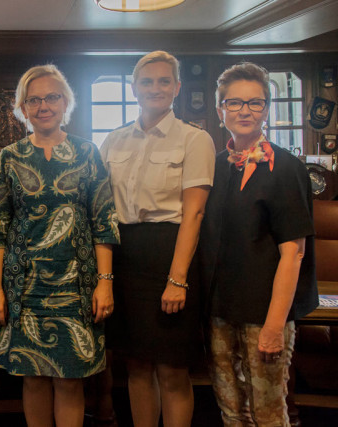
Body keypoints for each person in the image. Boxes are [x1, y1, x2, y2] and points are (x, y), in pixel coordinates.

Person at [0, 64, 120, 427]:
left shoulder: (88, 153)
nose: (43, 106)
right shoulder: (9, 157)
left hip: (78, 286)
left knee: (70, 379)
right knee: (33, 377)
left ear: (66, 103)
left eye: (52, 97)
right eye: (34, 100)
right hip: (24, 286)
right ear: (22, 108)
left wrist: (105, 283)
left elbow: (103, 223)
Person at [100, 51, 215, 427]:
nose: (156, 88)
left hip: (171, 256)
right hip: (123, 257)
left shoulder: (195, 139)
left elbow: (194, 214)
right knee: (134, 365)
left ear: (177, 88)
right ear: (134, 89)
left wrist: (177, 278)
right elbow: (100, 209)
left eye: (164, 81)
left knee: (171, 370)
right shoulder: (113, 141)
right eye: (147, 82)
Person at [200, 62, 318, 426]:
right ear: (221, 111)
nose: (244, 111)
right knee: (230, 408)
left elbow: (293, 253)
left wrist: (273, 325)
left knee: (267, 410)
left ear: (266, 109)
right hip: (220, 310)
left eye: (255, 103)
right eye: (234, 103)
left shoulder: (286, 168)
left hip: (265, 313)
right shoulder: (216, 166)